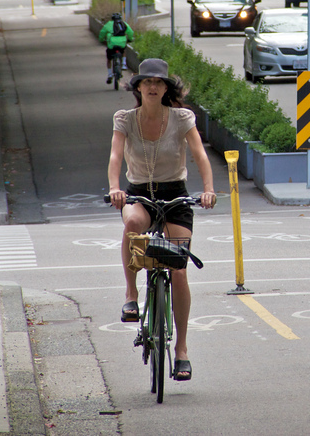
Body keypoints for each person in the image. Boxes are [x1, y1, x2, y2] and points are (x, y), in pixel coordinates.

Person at [107, 59, 216, 382]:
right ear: (138, 88)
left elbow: (199, 154)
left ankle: (181, 350)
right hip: (139, 193)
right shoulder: (124, 119)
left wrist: (208, 190)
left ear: (167, 88)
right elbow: (115, 156)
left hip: (175, 196)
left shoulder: (182, 118)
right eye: (146, 82)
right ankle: (131, 295)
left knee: (178, 269)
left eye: (159, 82)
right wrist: (115, 189)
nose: (153, 87)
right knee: (132, 225)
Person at [99, 12, 135, 84]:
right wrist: (130, 39)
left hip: (111, 44)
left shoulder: (109, 24)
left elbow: (102, 32)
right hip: (122, 43)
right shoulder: (123, 23)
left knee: (109, 59)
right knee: (124, 50)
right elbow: (130, 32)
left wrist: (101, 40)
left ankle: (110, 74)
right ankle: (124, 64)